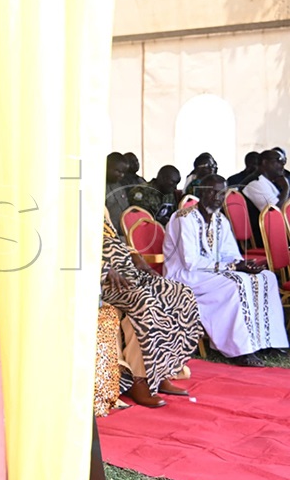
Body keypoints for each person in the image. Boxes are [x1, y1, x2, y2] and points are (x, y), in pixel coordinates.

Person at [164, 175, 289, 366]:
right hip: (184, 275)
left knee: (266, 278)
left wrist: (243, 265)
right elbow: (190, 261)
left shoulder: (220, 220)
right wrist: (232, 267)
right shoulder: (184, 218)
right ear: (200, 192)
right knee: (234, 284)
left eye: (221, 193)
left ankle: (268, 340)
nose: (217, 197)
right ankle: (239, 350)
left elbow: (230, 253)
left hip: (211, 273)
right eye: (212, 191)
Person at [101, 216, 203, 407]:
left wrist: (136, 257)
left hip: (128, 271)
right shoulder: (64, 204)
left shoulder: (97, 203)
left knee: (180, 293)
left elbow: (114, 239)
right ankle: (140, 380)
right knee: (145, 302)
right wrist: (102, 268)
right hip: (101, 278)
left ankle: (160, 370)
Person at [105, 152, 131, 235]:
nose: (121, 175)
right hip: (109, 235)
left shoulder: (119, 186)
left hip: (124, 232)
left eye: (123, 172)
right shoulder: (98, 187)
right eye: (118, 171)